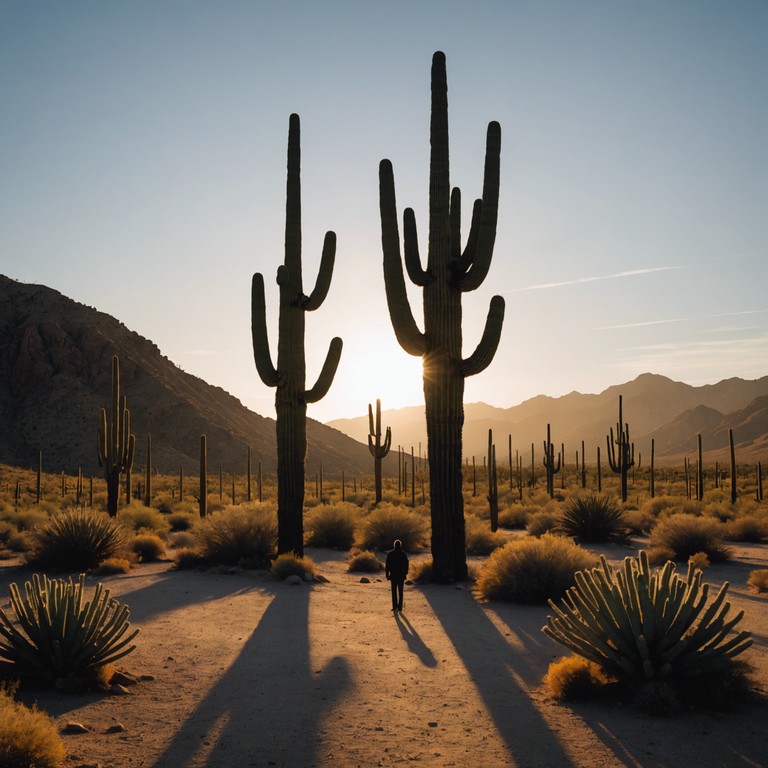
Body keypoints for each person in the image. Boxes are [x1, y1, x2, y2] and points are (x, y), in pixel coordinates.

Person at [385, 539, 409, 612]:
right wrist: (405, 573)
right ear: (400, 545)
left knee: (394, 591)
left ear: (394, 545)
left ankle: (395, 606)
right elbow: (406, 565)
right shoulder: (403, 554)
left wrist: (387, 574)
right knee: (400, 591)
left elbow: (387, 565)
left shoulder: (390, 554)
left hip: (393, 575)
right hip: (401, 575)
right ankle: (400, 607)